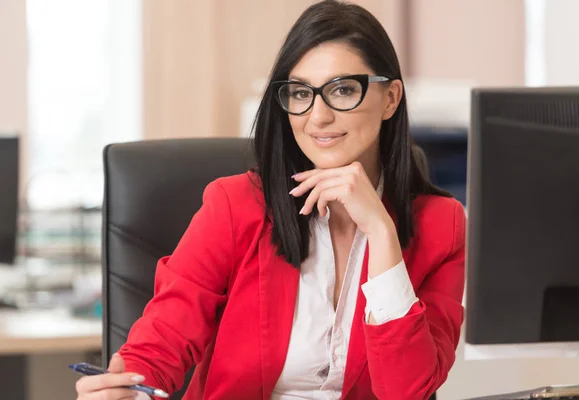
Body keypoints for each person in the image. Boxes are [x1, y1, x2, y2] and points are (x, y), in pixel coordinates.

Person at [75, 1, 465, 399]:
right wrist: (128, 389)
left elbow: (408, 390)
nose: (318, 117)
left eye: (343, 89)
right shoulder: (235, 206)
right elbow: (163, 340)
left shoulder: (442, 226)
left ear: (391, 98)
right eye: (300, 93)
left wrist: (382, 234)